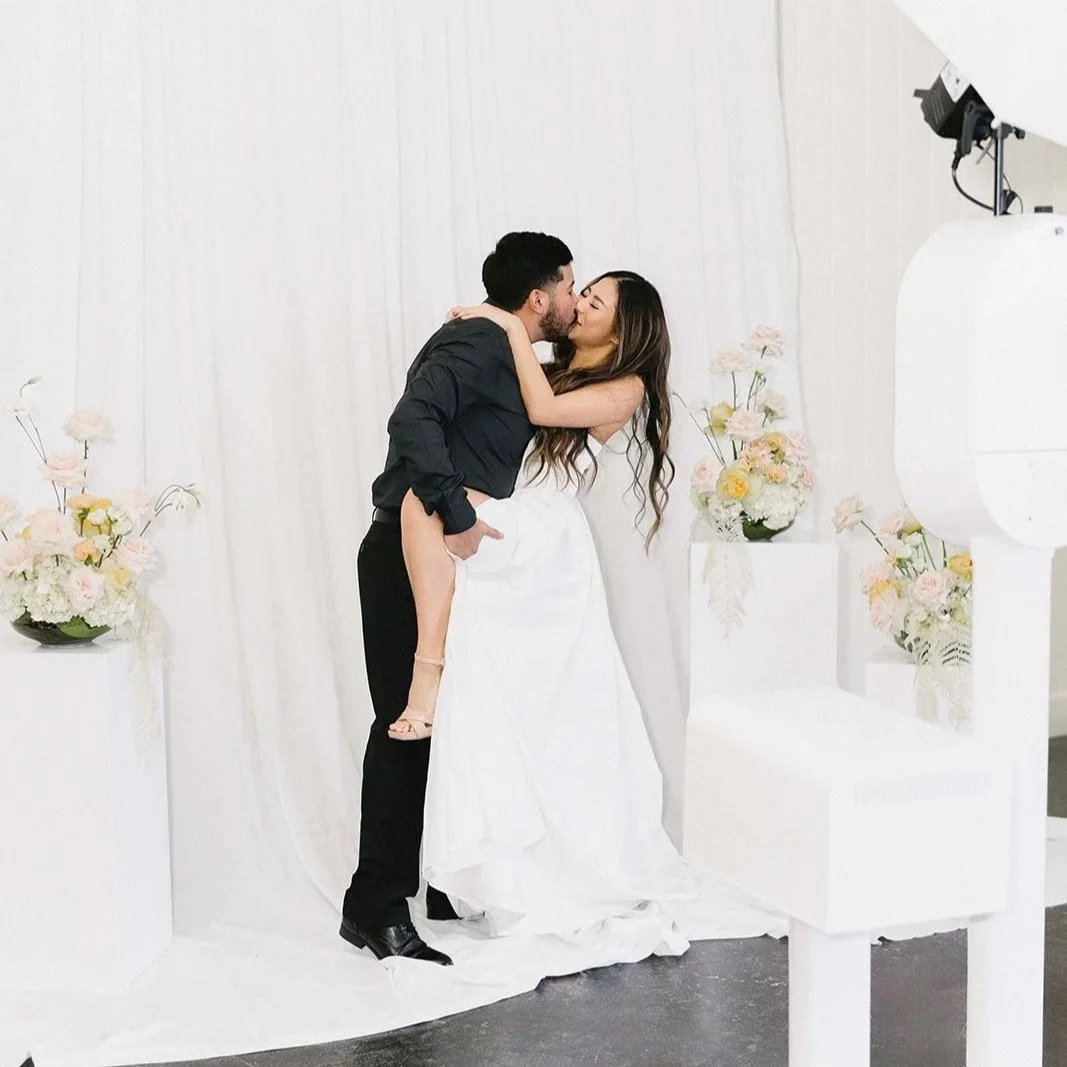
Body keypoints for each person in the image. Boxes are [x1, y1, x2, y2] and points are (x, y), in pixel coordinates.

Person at [396, 272, 696, 939]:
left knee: (426, 503)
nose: (579, 304)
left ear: (622, 330)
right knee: (506, 712)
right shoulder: (550, 368)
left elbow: (539, 414)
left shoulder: (627, 387)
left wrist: (506, 325)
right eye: (580, 292)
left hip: (545, 539)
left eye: (595, 302)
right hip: (517, 517)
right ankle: (492, 863)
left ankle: (428, 666)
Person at [339, 232, 579, 965]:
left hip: (446, 558)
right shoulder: (478, 341)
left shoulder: (501, 345)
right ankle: (373, 906)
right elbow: (411, 419)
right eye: (570, 287)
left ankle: (437, 879)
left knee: (453, 723)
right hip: (408, 553)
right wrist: (459, 512)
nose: (575, 299)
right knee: (405, 724)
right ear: (537, 297)